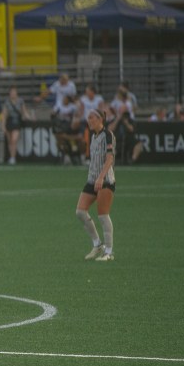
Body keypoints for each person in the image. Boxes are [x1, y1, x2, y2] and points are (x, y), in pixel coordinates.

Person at [76, 109, 116, 262]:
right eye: (88, 118)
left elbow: (109, 158)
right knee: (80, 211)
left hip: (105, 180)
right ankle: (97, 244)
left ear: (100, 119)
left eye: (92, 117)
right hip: (92, 180)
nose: (89, 120)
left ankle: (109, 251)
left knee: (103, 215)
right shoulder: (93, 136)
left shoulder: (108, 135)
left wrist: (101, 177)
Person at [0, 86, 31, 165]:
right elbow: (4, 114)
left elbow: (24, 112)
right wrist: (3, 125)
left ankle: (13, 157)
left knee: (14, 139)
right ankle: (12, 156)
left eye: (14, 92)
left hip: (17, 121)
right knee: (10, 141)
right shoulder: (7, 102)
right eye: (11, 92)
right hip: (9, 121)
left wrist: (30, 118)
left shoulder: (20, 101)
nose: (13, 93)